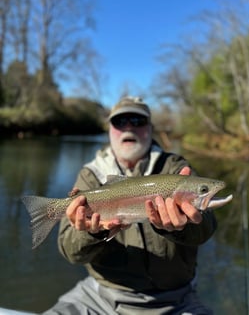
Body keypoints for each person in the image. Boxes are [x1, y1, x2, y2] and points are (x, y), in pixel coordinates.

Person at [44, 96, 216, 315]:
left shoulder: (176, 169)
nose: (129, 128)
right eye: (120, 122)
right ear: (109, 129)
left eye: (137, 121)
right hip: (100, 297)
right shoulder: (90, 175)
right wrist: (91, 234)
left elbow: (207, 227)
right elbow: (70, 252)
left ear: (151, 128)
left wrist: (184, 225)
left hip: (176, 301)